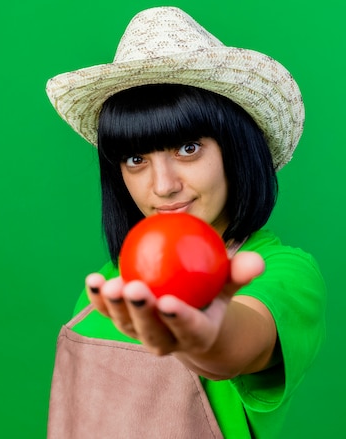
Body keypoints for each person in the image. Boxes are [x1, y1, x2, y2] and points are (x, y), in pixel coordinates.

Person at [45, 7, 326, 439]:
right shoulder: (106, 287)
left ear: (236, 147)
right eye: (136, 159)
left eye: (188, 148)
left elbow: (236, 343)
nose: (163, 185)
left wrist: (206, 340)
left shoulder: (284, 273)